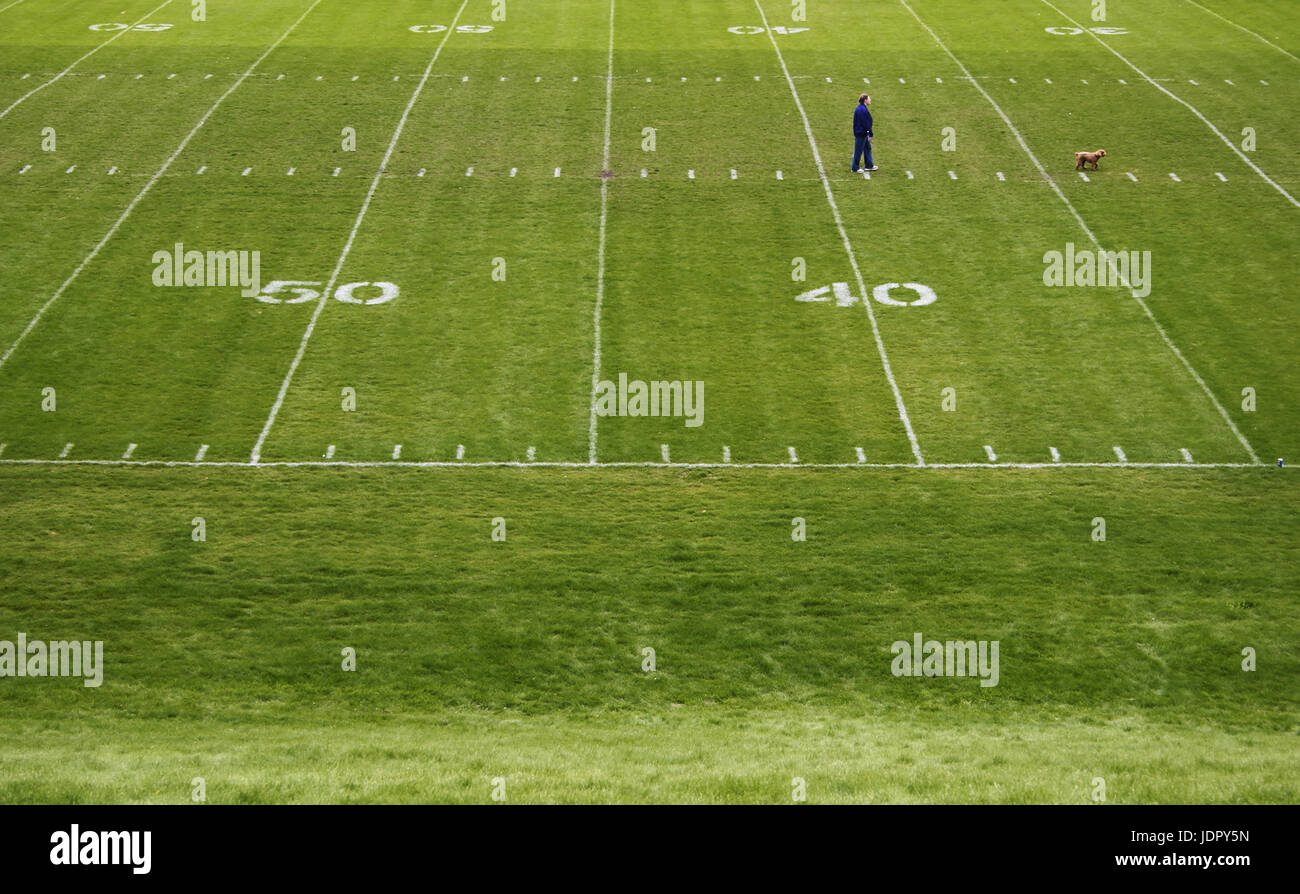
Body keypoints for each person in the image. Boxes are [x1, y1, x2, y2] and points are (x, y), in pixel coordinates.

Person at [852, 93, 877, 173]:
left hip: (862, 133)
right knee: (858, 151)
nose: (870, 100)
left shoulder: (861, 108)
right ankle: (855, 168)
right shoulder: (862, 110)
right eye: (869, 99)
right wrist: (870, 133)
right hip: (861, 134)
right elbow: (865, 123)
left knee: (867, 148)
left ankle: (869, 165)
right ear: (865, 100)